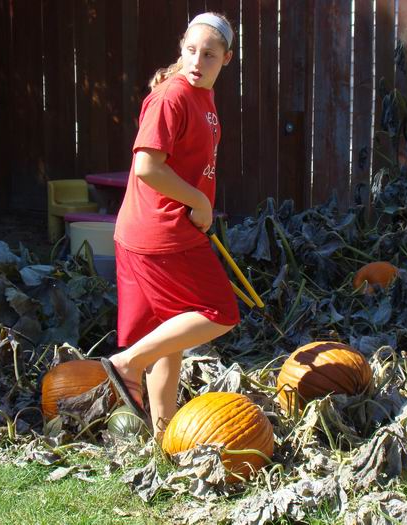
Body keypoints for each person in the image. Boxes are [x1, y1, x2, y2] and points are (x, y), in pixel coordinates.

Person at [101, 12, 240, 442]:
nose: (198, 61)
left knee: (169, 341)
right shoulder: (172, 97)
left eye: (210, 55)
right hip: (162, 235)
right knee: (222, 312)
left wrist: (201, 202)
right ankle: (126, 364)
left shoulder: (202, 96)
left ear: (226, 60)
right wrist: (199, 200)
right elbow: (146, 166)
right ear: (181, 47)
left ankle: (164, 440)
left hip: (152, 231)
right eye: (191, 51)